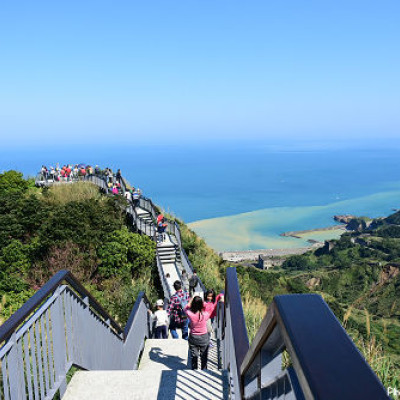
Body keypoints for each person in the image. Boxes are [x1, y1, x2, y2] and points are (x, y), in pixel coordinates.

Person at [185, 295, 220, 370]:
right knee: (204, 357)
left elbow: (186, 308)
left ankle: (194, 370)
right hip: (204, 337)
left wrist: (191, 300)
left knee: (194, 356)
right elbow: (210, 308)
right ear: (202, 305)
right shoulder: (206, 314)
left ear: (193, 304)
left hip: (193, 337)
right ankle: (204, 371)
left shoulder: (190, 314)